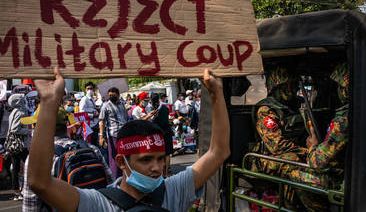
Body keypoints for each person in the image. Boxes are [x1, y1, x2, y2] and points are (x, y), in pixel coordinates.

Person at [27, 67, 229, 212]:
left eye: (160, 159)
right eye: (146, 159)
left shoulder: (173, 191)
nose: (157, 168)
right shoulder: (98, 204)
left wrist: (216, 94)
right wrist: (49, 102)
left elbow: (218, 152)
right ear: (122, 162)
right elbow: (39, 182)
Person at [252, 63, 349, 210]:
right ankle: (288, 206)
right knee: (292, 162)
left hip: (294, 152)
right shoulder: (266, 111)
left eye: (294, 85)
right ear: (278, 87)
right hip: (266, 158)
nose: (294, 89)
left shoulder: (293, 106)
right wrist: (308, 152)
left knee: (303, 161)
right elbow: (277, 146)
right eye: (290, 85)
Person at [22, 107, 114, 212]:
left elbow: (30, 206)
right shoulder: (92, 149)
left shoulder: (37, 158)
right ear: (66, 125)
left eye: (34, 125)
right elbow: (110, 185)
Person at [98, 87, 129, 178]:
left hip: (124, 134)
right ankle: (115, 178)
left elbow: (125, 117)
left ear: (118, 95)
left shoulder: (122, 104)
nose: (111, 97)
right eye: (110, 95)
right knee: (115, 158)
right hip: (113, 135)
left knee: (124, 155)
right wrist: (101, 136)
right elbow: (102, 121)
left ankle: (125, 175)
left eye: (113, 95)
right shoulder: (105, 106)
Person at [6, 94, 31, 201]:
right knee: (29, 166)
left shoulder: (13, 112)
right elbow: (15, 129)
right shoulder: (20, 112)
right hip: (20, 144)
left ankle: (17, 192)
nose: (24, 100)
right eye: (22, 99)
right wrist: (28, 131)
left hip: (13, 144)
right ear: (18, 101)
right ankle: (28, 190)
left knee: (16, 168)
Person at [151, 94, 174, 177]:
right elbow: (168, 118)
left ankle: (160, 173)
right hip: (167, 131)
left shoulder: (153, 109)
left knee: (159, 153)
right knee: (167, 154)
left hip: (157, 133)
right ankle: (166, 173)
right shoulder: (165, 108)